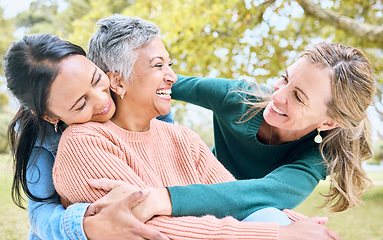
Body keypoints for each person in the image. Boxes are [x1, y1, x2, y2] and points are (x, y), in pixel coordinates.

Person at [50, 15, 341, 239]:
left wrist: (301, 225)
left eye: (170, 64)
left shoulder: (182, 139)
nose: (172, 76)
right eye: (158, 66)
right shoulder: (85, 142)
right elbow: (152, 230)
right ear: (117, 81)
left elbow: (236, 198)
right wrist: (276, 234)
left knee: (273, 217)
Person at [111, 40, 376, 222]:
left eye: (298, 96)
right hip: (196, 179)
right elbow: (162, 83)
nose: (278, 95)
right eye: (285, 78)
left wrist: (165, 199)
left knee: (274, 220)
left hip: (235, 210)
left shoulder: (319, 155)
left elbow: (260, 195)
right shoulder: (238, 97)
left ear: (329, 122)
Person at [6, 34, 170, 240]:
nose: (102, 100)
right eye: (81, 103)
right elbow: (40, 211)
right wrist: (87, 225)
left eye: (96, 79)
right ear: (50, 116)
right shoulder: (42, 140)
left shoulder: (134, 92)